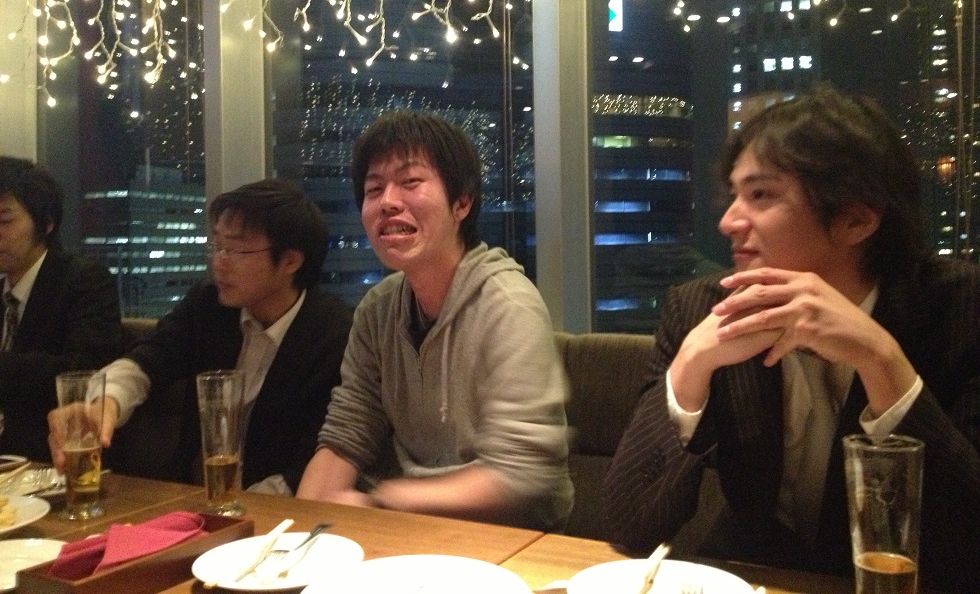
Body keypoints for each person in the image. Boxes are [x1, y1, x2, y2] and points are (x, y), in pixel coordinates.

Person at [603, 85, 980, 592]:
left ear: (856, 218)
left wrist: (882, 361)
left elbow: (969, 545)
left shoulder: (959, 310)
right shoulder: (702, 310)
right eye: (734, 195)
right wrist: (691, 362)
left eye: (760, 195)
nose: (728, 222)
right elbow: (629, 524)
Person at [297, 110, 573, 530]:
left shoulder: (508, 306)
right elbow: (346, 435)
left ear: (462, 203)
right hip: (411, 530)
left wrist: (383, 502)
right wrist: (301, 528)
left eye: (410, 182)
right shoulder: (378, 310)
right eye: (374, 189)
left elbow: (521, 472)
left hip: (513, 537)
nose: (388, 201)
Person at [48, 178, 352, 494]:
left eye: (235, 249)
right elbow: (151, 357)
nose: (218, 262)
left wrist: (235, 507)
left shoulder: (333, 334)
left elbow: (312, 464)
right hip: (189, 498)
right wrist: (106, 402)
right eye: (216, 246)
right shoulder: (209, 305)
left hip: (278, 511)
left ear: (290, 260)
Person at [0, 157, 122, 462]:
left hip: (52, 460)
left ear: (47, 222)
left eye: (4, 221)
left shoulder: (85, 281)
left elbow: (85, 373)